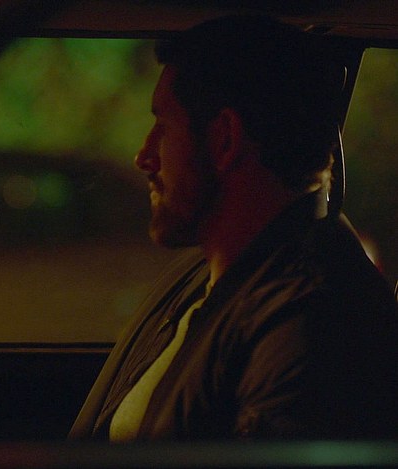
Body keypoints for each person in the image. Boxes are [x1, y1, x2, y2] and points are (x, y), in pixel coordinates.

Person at [69, 15, 398, 441]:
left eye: (163, 128)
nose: (144, 157)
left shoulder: (312, 320)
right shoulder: (216, 280)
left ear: (224, 139)